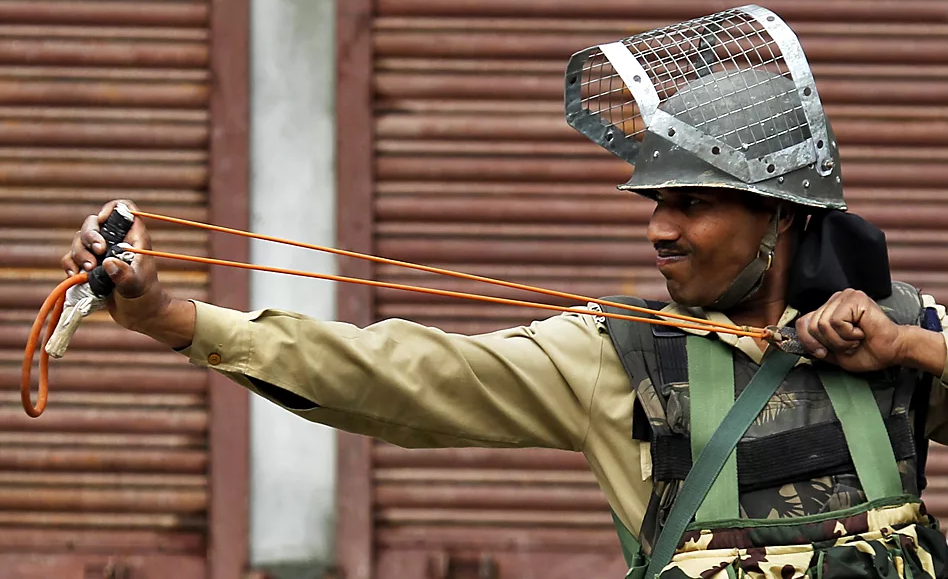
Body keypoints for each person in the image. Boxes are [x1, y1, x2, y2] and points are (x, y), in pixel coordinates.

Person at [62, 7, 948, 579]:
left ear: (782, 217)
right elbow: (395, 372)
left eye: (693, 203)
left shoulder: (899, 329)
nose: (658, 229)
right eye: (654, 203)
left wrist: (911, 349)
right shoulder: (615, 354)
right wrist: (169, 318)